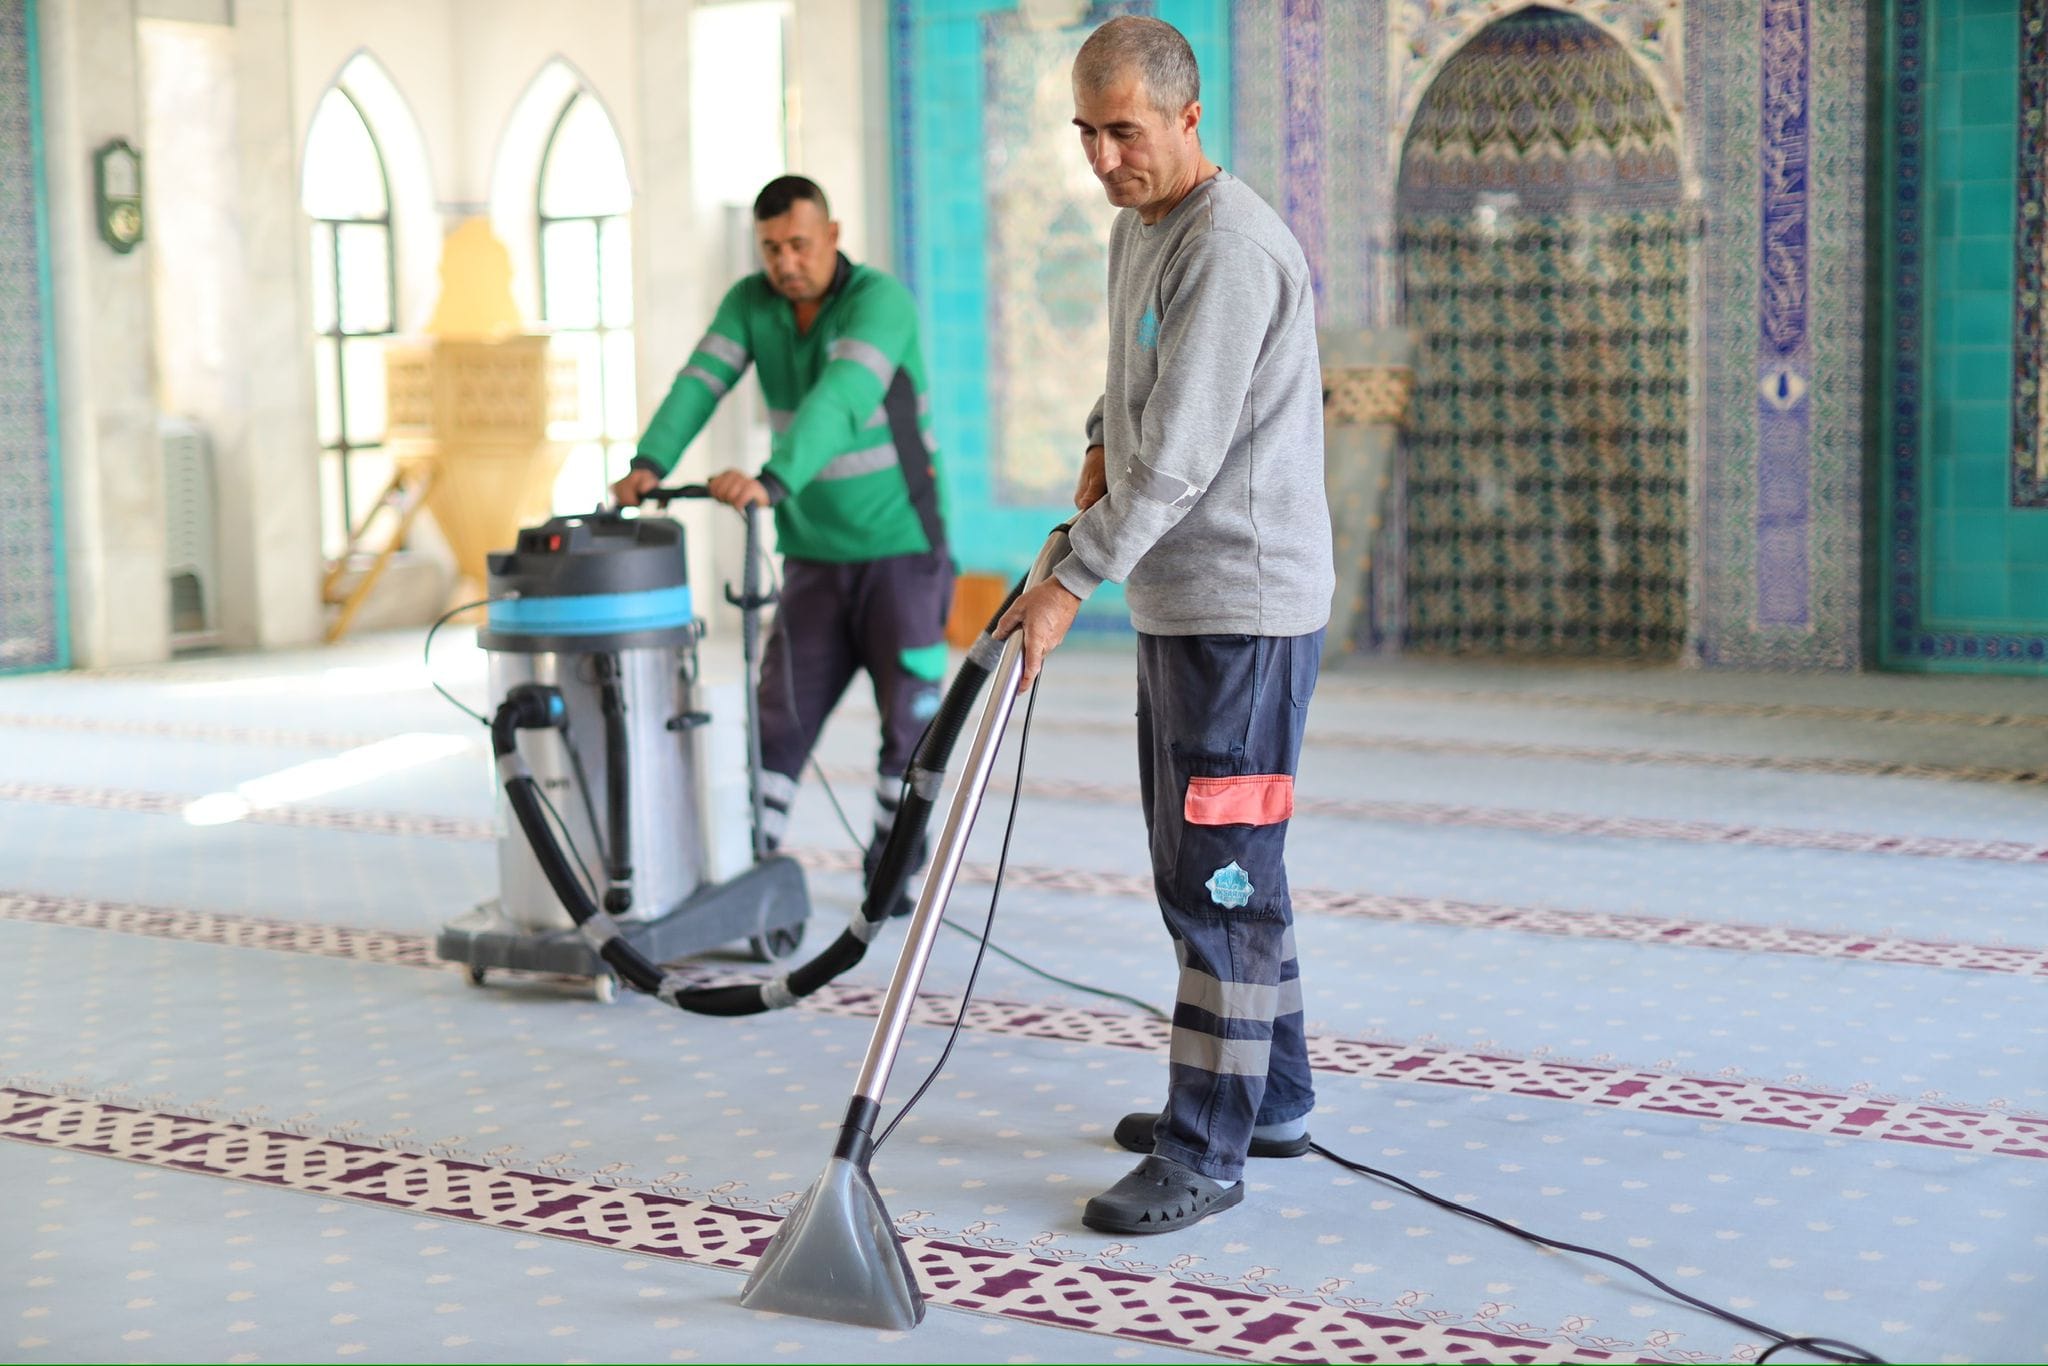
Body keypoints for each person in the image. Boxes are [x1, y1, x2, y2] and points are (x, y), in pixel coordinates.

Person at [995, 16, 1334, 1235]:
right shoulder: (1140, 227)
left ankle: (1208, 1149)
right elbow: (1129, 385)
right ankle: (1272, 1094)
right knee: (1213, 868)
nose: (1099, 156)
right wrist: (1095, 441)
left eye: (1121, 131)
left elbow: (1184, 453)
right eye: (1083, 131)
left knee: (1219, 883)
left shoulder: (1230, 246)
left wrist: (1065, 581)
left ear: (1188, 118)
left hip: (1240, 615)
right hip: (1184, 608)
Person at [614, 176, 950, 909]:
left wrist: (773, 478)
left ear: (831, 234)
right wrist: (649, 464)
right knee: (779, 719)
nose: (785, 263)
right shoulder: (751, 304)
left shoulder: (880, 303)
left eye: (799, 244)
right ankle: (751, 864)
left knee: (909, 729)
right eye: (770, 249)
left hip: (901, 552)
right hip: (813, 560)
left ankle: (891, 870)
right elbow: (700, 381)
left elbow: (843, 398)